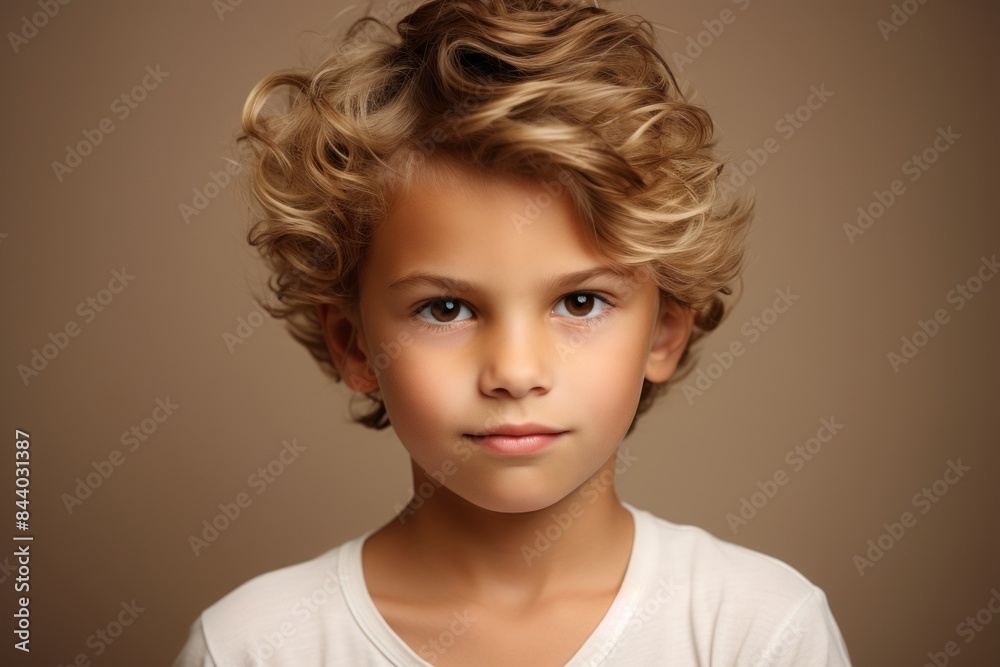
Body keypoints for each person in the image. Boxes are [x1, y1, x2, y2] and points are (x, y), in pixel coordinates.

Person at [173, 0, 852, 664]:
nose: (516, 372)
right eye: (446, 309)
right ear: (355, 345)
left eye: (580, 302)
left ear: (664, 331)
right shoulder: (253, 648)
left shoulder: (759, 633)